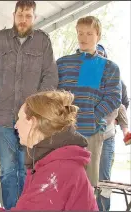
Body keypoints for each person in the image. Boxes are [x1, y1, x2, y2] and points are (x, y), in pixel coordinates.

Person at [0, 90, 98, 211]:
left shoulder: (57, 171)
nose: (15, 125)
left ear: (33, 122)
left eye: (19, 118)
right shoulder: (49, 162)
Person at [0, 1, 58, 208]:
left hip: (31, 122)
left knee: (28, 170)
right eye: (20, 15)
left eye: (28, 16)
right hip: (3, 119)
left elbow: (50, 76)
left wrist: (36, 108)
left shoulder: (43, 41)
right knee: (7, 170)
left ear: (34, 17)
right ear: (13, 15)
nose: (23, 20)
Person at [57, 16, 121, 187]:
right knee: (64, 183)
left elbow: (114, 97)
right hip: (64, 132)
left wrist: (93, 115)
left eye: (89, 34)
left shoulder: (109, 67)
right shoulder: (62, 64)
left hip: (92, 133)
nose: (83, 38)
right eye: (80, 33)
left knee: (88, 185)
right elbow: (54, 94)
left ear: (98, 36)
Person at [95, 44, 130, 211]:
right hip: (87, 136)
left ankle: (103, 209)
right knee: (87, 177)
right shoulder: (85, 79)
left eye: (102, 54)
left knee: (104, 179)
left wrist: (123, 128)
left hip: (107, 136)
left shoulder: (116, 79)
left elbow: (123, 105)